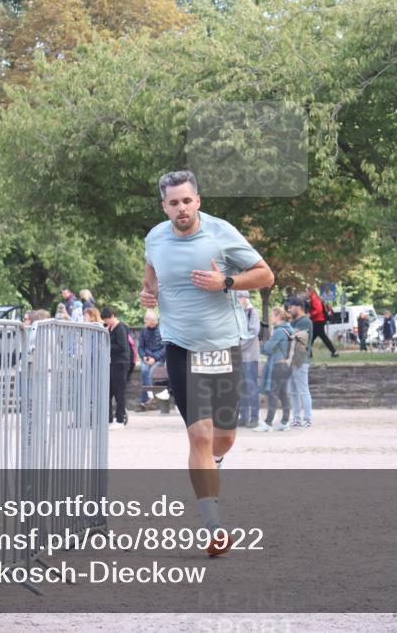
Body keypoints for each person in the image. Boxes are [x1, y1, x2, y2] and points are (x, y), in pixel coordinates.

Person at [140, 169, 274, 556]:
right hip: (180, 344)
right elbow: (151, 276)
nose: (181, 208)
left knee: (224, 437)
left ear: (197, 201)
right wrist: (149, 294)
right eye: (173, 203)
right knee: (198, 433)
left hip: (222, 345)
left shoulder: (220, 233)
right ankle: (214, 527)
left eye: (187, 201)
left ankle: (215, 461)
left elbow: (266, 275)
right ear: (164, 205)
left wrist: (226, 283)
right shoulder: (155, 237)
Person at [255, 307, 294, 432]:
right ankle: (285, 422)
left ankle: (268, 423)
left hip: (278, 366)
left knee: (272, 394)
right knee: (283, 394)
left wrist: (260, 343)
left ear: (278, 316)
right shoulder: (288, 329)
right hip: (286, 366)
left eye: (272, 315)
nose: (271, 317)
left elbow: (268, 349)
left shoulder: (279, 332)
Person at [101, 307, 131, 427]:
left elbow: (122, 346)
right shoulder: (110, 328)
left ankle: (120, 419)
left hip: (120, 363)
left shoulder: (121, 328)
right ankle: (109, 418)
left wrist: (105, 347)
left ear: (113, 316)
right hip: (112, 363)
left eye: (107, 318)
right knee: (109, 392)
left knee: (119, 392)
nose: (106, 321)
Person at [287, 298, 314, 428]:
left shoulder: (305, 321)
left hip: (301, 360)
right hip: (291, 361)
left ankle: (307, 419)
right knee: (292, 391)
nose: (289, 309)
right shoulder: (294, 322)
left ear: (299, 307)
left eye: (291, 307)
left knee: (303, 391)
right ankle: (296, 419)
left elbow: (293, 338)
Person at [236, 291, 261, 427]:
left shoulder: (253, 313)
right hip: (239, 358)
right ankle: (243, 416)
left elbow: (252, 333)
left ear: (245, 298)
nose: (237, 300)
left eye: (239, 298)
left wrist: (237, 346)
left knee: (252, 387)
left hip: (250, 357)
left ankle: (254, 418)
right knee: (241, 388)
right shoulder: (238, 313)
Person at [138, 310, 167, 411]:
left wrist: (154, 357)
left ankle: (145, 400)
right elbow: (140, 348)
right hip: (147, 358)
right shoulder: (144, 331)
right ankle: (150, 397)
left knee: (150, 373)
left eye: (147, 319)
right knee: (144, 371)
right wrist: (144, 357)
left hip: (159, 359)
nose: (145, 321)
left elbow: (165, 348)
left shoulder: (162, 330)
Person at [306, 285, 338, 358]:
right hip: (319, 320)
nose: (306, 293)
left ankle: (308, 354)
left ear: (311, 291)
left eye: (307, 291)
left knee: (312, 337)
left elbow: (318, 310)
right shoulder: (315, 298)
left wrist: (310, 315)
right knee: (316, 337)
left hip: (318, 320)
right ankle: (334, 352)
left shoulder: (314, 298)